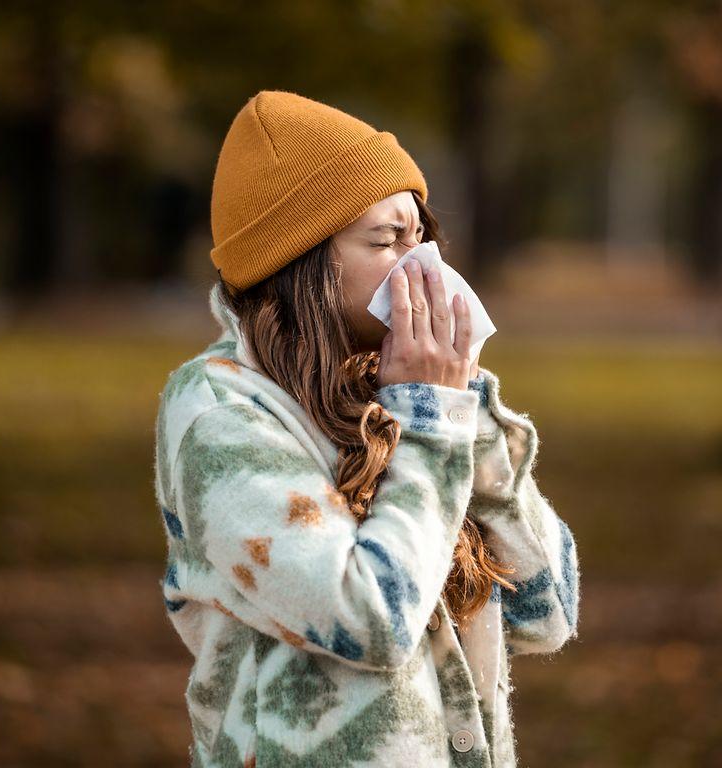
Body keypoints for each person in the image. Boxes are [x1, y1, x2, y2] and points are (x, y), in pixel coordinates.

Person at [153, 89, 580, 768]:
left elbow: (544, 612)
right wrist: (432, 421)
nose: (424, 270)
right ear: (300, 264)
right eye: (386, 241)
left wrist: (464, 407)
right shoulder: (219, 414)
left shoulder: (396, 394)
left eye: (422, 238)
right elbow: (370, 618)